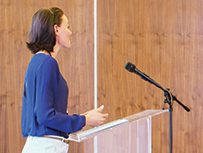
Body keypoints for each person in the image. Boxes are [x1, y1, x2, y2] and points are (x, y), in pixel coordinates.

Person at [21, 7, 108, 153]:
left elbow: (42, 114)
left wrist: (84, 118)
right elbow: (45, 116)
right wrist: (84, 120)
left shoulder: (36, 62)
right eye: (67, 27)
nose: (70, 32)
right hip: (46, 147)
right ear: (56, 29)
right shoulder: (47, 63)